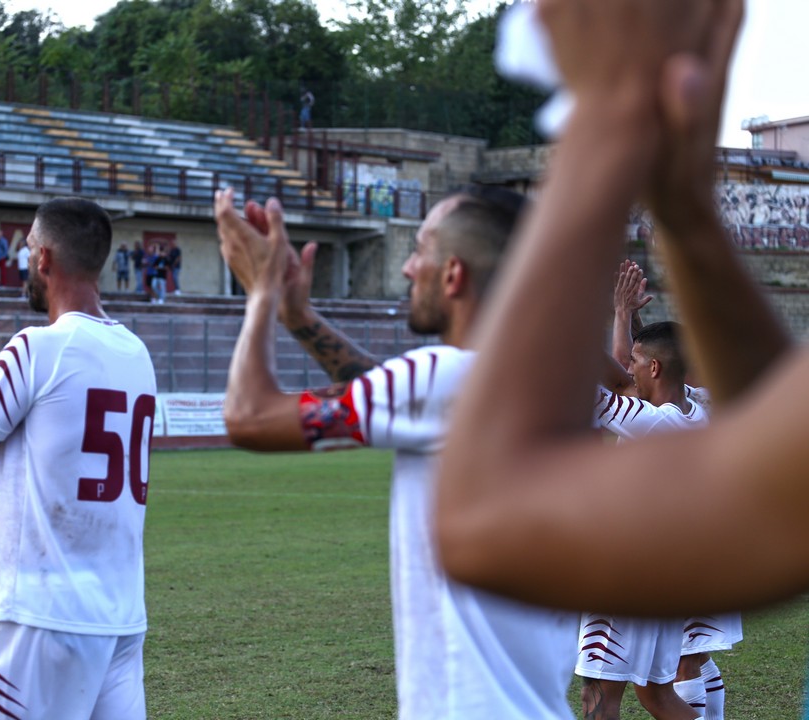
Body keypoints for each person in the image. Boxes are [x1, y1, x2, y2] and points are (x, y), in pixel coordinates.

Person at [430, 0, 807, 618]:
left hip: (650, 556)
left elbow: (480, 522)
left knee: (647, 693)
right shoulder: (696, 411)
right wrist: (682, 209)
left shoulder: (659, 423)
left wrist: (608, 115)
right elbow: (779, 428)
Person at [213, 185, 579, 719]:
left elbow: (247, 417)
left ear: (453, 274)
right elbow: (396, 390)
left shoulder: (447, 378)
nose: (408, 268)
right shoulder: (544, 384)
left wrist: (261, 292)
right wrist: (299, 317)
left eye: (420, 249)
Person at [0, 197, 156, 720]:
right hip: (119, 624)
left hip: (40, 623)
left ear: (44, 259)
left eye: (28, 250)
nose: (25, 261)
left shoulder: (37, 348)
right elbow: (54, 431)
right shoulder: (137, 354)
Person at [576, 322, 706, 720]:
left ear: (654, 368)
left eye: (634, 360)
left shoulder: (655, 424)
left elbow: (591, 391)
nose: (627, 368)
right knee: (658, 697)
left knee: (599, 699)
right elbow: (617, 384)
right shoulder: (697, 411)